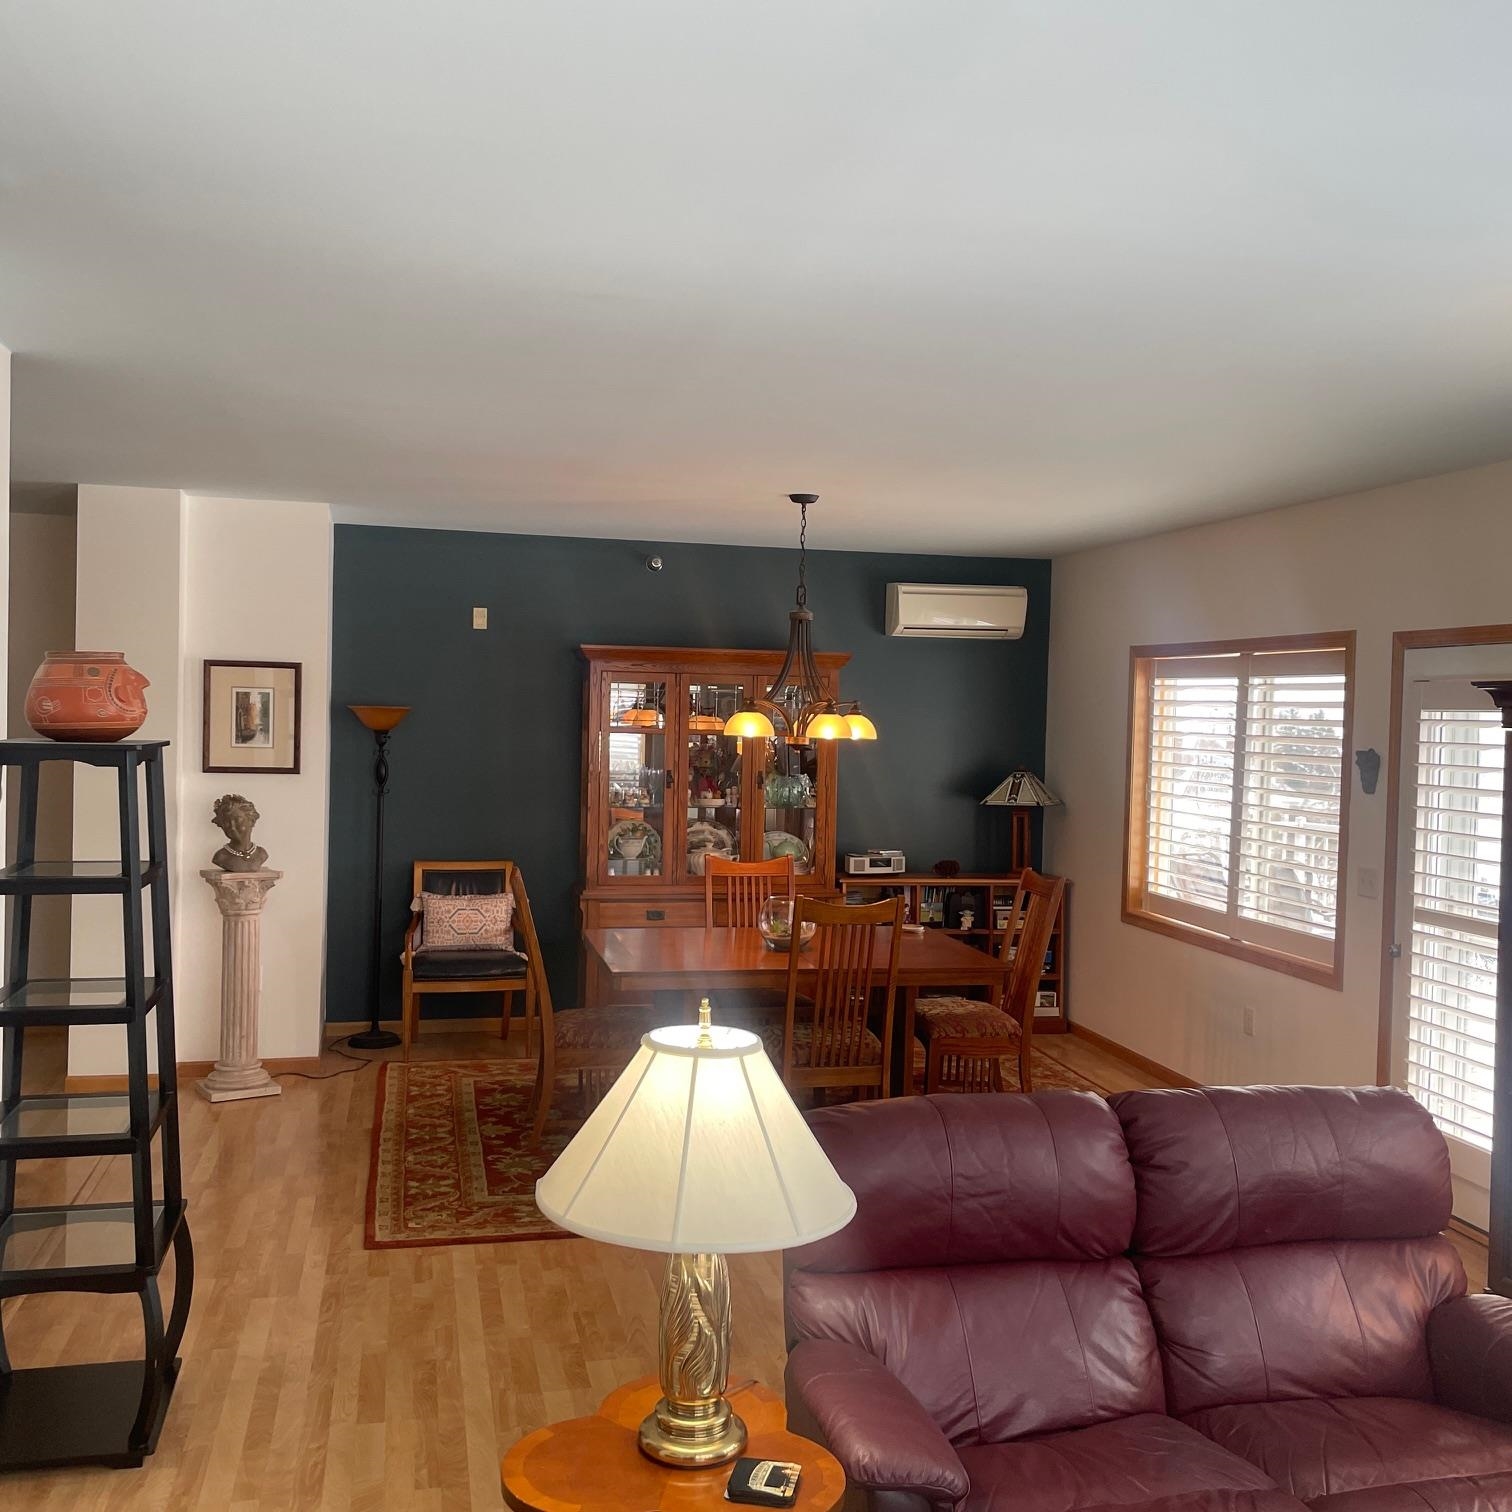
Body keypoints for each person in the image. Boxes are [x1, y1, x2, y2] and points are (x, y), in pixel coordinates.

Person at [211, 793, 268, 872]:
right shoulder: (221, 857)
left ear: (251, 821)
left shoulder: (261, 854)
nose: (232, 827)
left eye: (238, 820)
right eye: (227, 822)